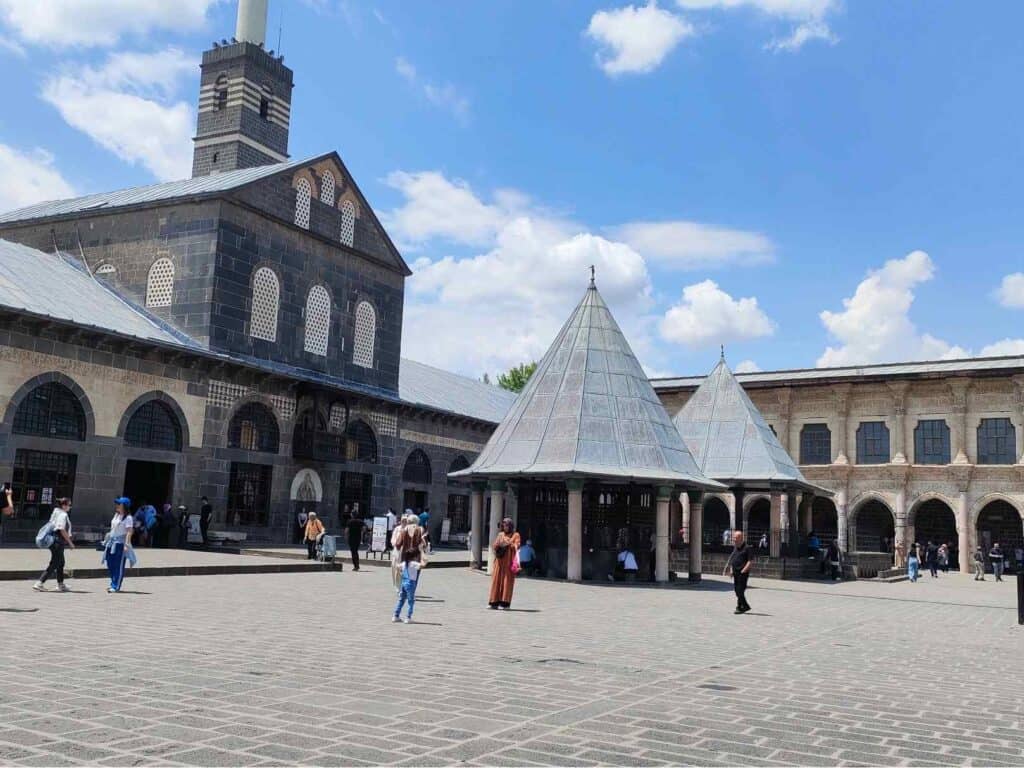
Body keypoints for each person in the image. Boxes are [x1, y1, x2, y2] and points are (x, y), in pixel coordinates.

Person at [33, 497, 75, 592]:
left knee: (61, 562)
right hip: (58, 541)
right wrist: (70, 542)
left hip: (56, 541)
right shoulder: (63, 515)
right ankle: (40, 582)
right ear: (64, 506)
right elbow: (62, 529)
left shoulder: (56, 512)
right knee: (55, 562)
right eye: (69, 505)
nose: (70, 507)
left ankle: (61, 584)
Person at [488, 517, 521, 610]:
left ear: (510, 526)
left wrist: (508, 543)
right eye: (504, 525)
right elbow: (495, 545)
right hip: (499, 562)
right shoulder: (500, 534)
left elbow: (517, 546)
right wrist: (498, 544)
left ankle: (505, 603)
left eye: (507, 525)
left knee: (507, 583)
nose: (505, 527)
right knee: (496, 582)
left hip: (509, 563)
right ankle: (493, 602)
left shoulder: (516, 535)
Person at [104, 498, 134, 593]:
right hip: (111, 542)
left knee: (118, 565)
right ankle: (113, 582)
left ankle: (115, 585)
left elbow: (129, 532)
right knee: (109, 562)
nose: (117, 505)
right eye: (117, 503)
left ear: (124, 506)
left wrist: (126, 544)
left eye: (119, 504)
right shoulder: (116, 515)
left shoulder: (128, 518)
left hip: (120, 543)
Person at [392, 548, 423, 624]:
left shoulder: (404, 563)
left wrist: (401, 572)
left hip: (404, 583)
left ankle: (396, 615)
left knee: (401, 600)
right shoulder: (414, 564)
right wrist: (423, 556)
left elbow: (396, 566)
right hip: (411, 584)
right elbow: (423, 565)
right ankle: (408, 617)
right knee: (410, 601)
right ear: (414, 557)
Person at [724, 530, 752, 614]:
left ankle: (741, 606)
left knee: (740, 590)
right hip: (736, 572)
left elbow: (750, 561)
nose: (733, 539)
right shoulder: (736, 548)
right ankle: (743, 606)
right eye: (733, 537)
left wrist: (744, 570)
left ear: (740, 538)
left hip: (743, 573)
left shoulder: (747, 548)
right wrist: (731, 570)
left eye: (735, 538)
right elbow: (733, 560)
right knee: (737, 591)